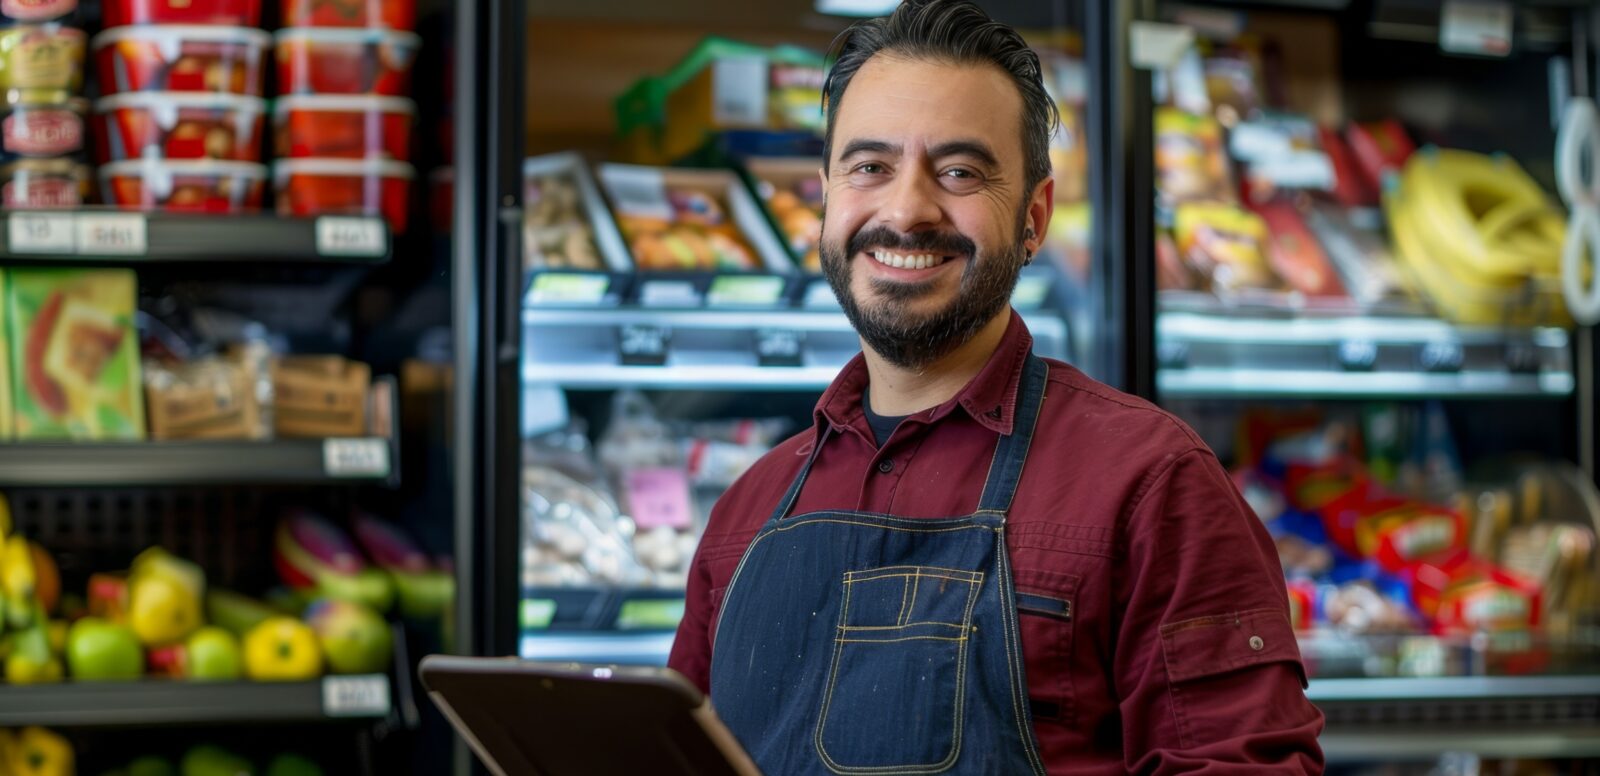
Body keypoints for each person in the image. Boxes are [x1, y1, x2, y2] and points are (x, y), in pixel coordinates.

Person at [668, 1, 1325, 772]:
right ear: (826, 199)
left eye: (958, 172)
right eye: (870, 167)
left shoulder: (1152, 485)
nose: (907, 209)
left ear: (1034, 219)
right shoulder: (746, 514)